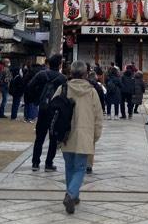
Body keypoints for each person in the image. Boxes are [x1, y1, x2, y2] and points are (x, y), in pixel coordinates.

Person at [55, 59, 102, 214]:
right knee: (80, 167)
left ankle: (73, 195)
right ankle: (71, 194)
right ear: (85, 73)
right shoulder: (91, 91)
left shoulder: (62, 88)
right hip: (84, 133)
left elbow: (53, 108)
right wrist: (95, 135)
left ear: (71, 73)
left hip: (65, 133)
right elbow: (98, 116)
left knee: (69, 167)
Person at [26, 54, 66, 171]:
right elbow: (65, 95)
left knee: (39, 137)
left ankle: (35, 162)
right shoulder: (62, 78)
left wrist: (36, 98)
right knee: (53, 137)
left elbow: (30, 86)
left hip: (43, 108)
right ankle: (49, 163)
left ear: (49, 63)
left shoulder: (41, 75)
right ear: (59, 65)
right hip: (56, 111)